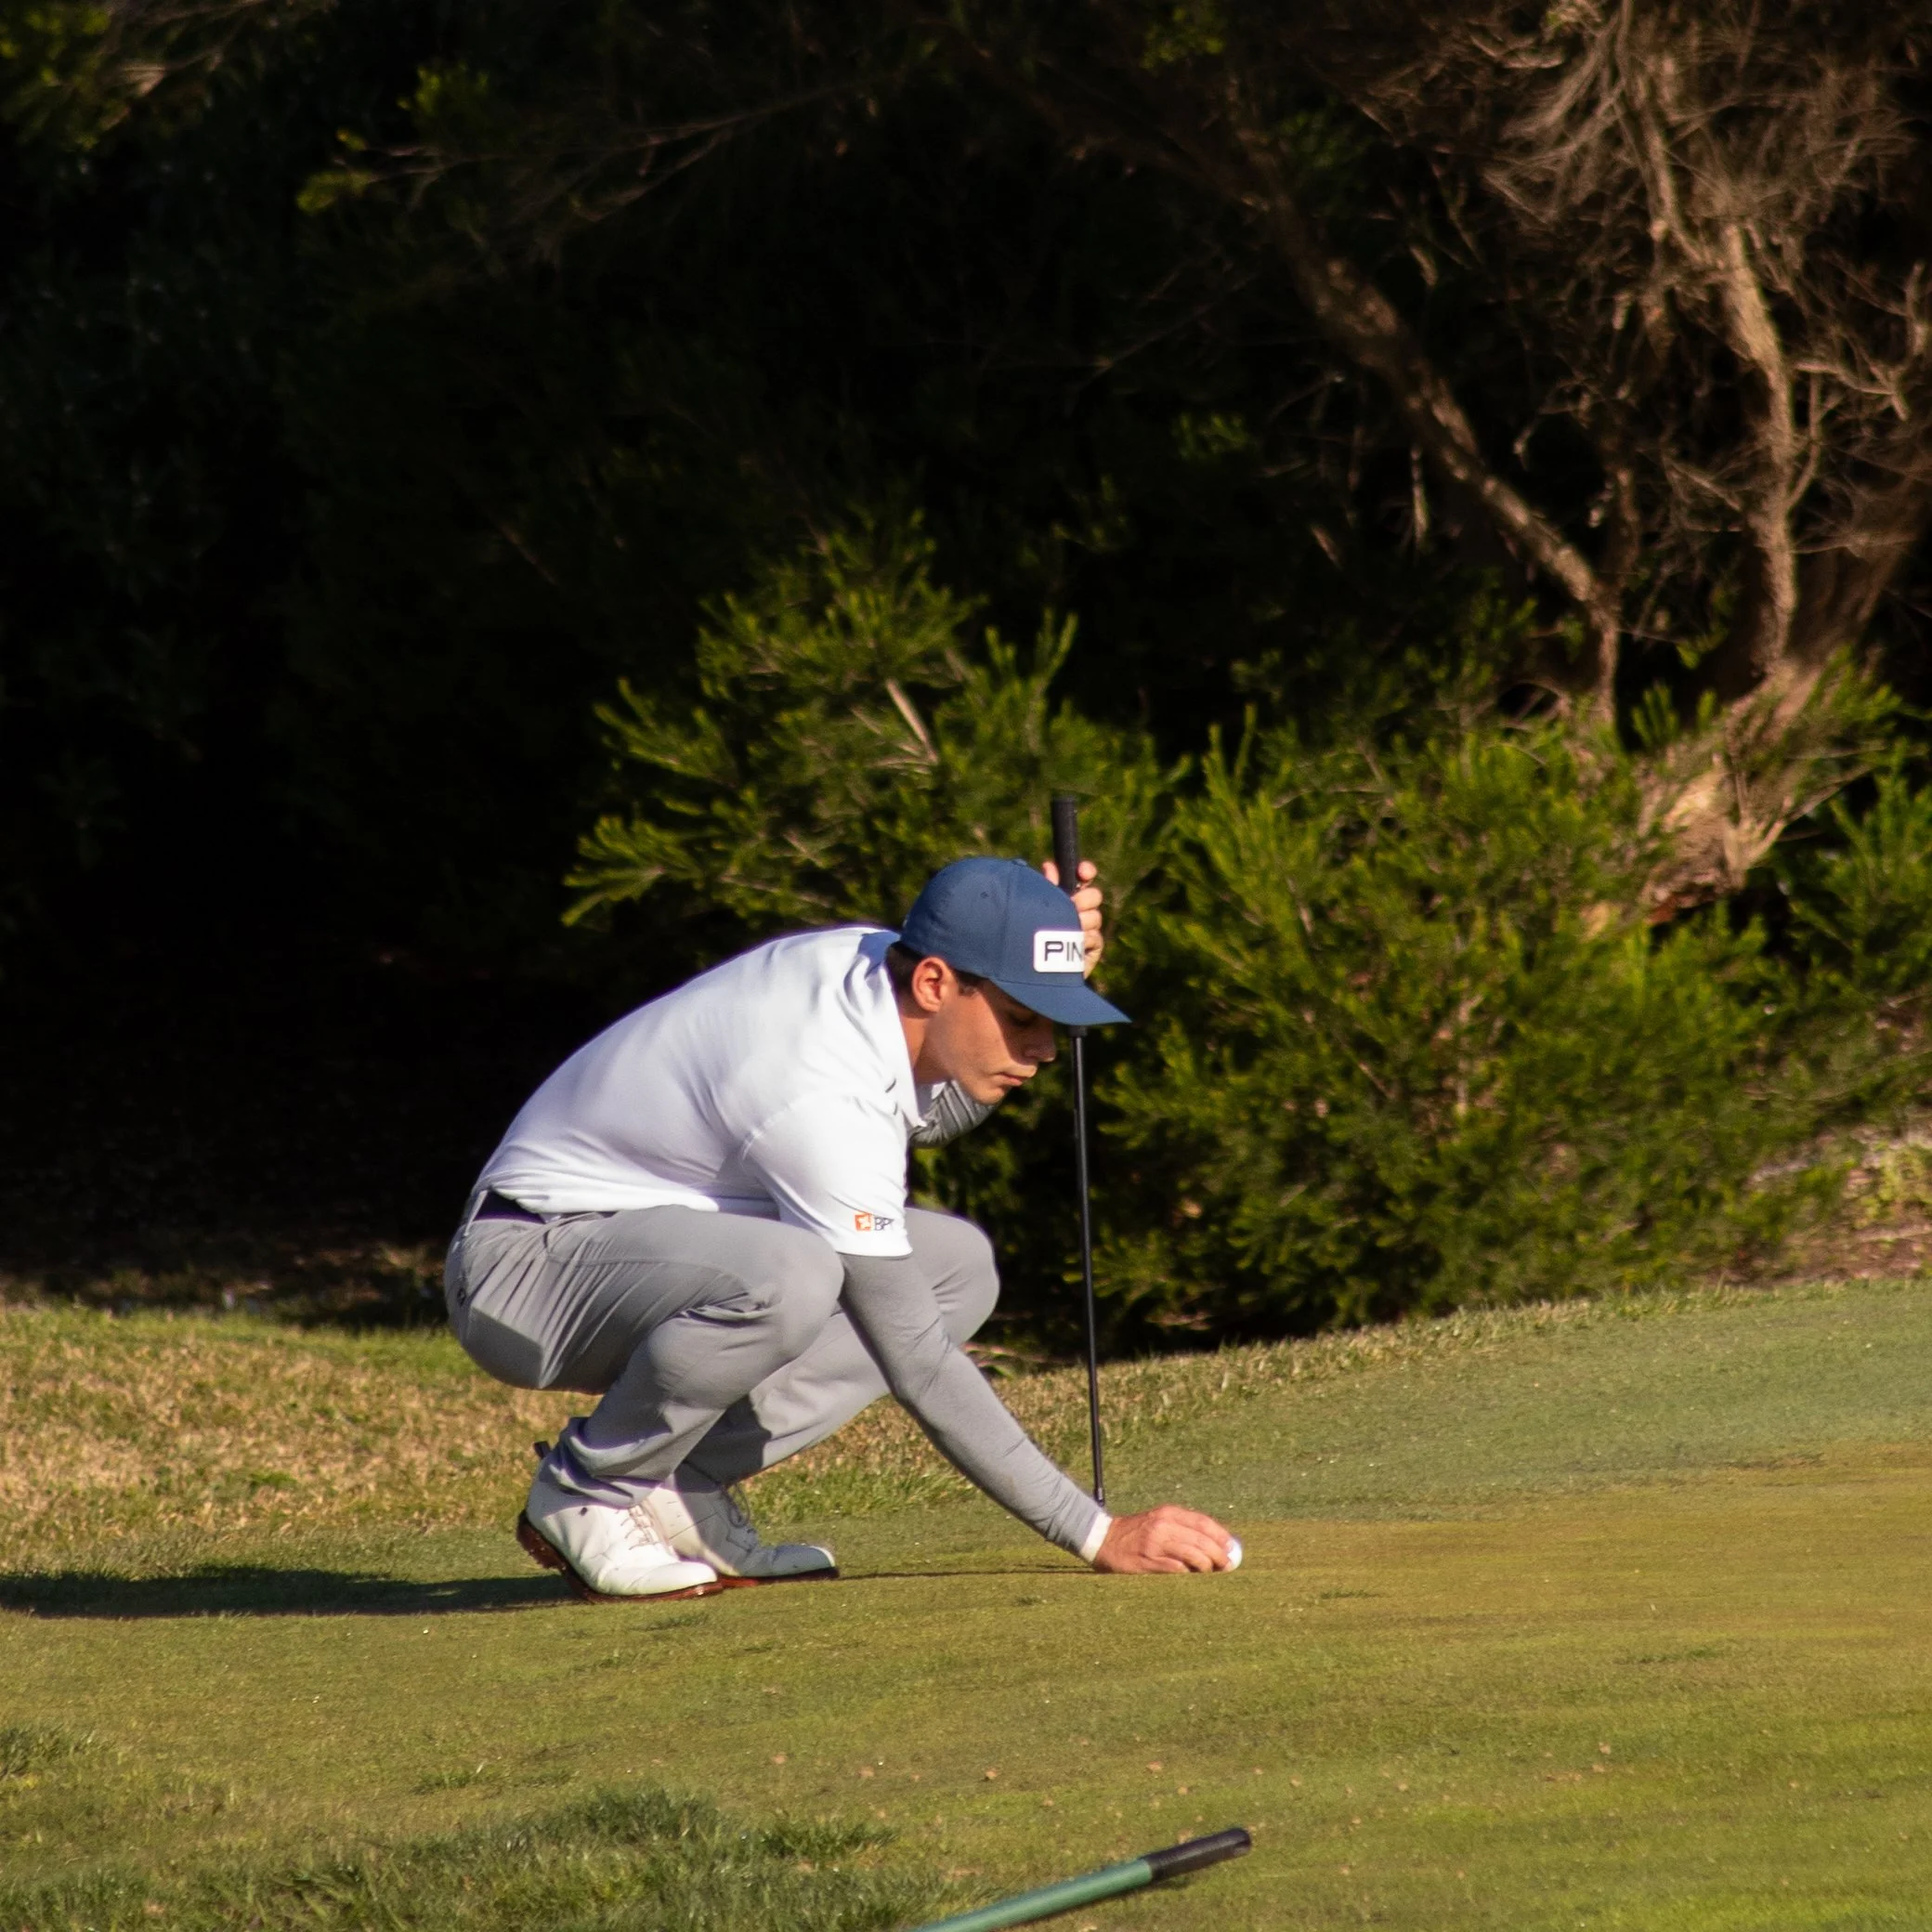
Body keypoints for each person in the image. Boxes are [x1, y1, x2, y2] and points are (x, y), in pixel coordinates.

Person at [443, 854, 1239, 1600]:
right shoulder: (815, 1085)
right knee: (793, 1277)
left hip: (632, 1243)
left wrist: (1040, 948)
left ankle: (682, 1481)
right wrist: (1096, 1533)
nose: (1041, 1049)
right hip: (521, 1272)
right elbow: (919, 1362)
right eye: (1022, 1015)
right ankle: (591, 1489)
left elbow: (926, 1106)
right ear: (934, 980)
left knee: (954, 1266)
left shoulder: (876, 969)